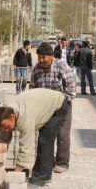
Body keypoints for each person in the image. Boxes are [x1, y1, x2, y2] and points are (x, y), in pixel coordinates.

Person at [0, 89, 69, 187]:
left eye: (7, 127)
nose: (6, 130)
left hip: (58, 105)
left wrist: (16, 175)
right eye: (3, 128)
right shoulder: (4, 117)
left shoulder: (25, 118)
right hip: (41, 106)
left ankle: (40, 179)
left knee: (44, 142)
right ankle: (46, 176)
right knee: (45, 141)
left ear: (12, 117)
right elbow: (2, 142)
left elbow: (25, 147)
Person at [30, 42, 76, 173]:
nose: (41, 60)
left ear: (51, 56)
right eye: (39, 57)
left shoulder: (61, 66)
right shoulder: (37, 69)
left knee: (62, 135)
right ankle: (48, 162)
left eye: (44, 57)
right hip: (45, 109)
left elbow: (71, 88)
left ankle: (62, 163)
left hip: (62, 106)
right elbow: (32, 88)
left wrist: (63, 103)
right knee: (46, 135)